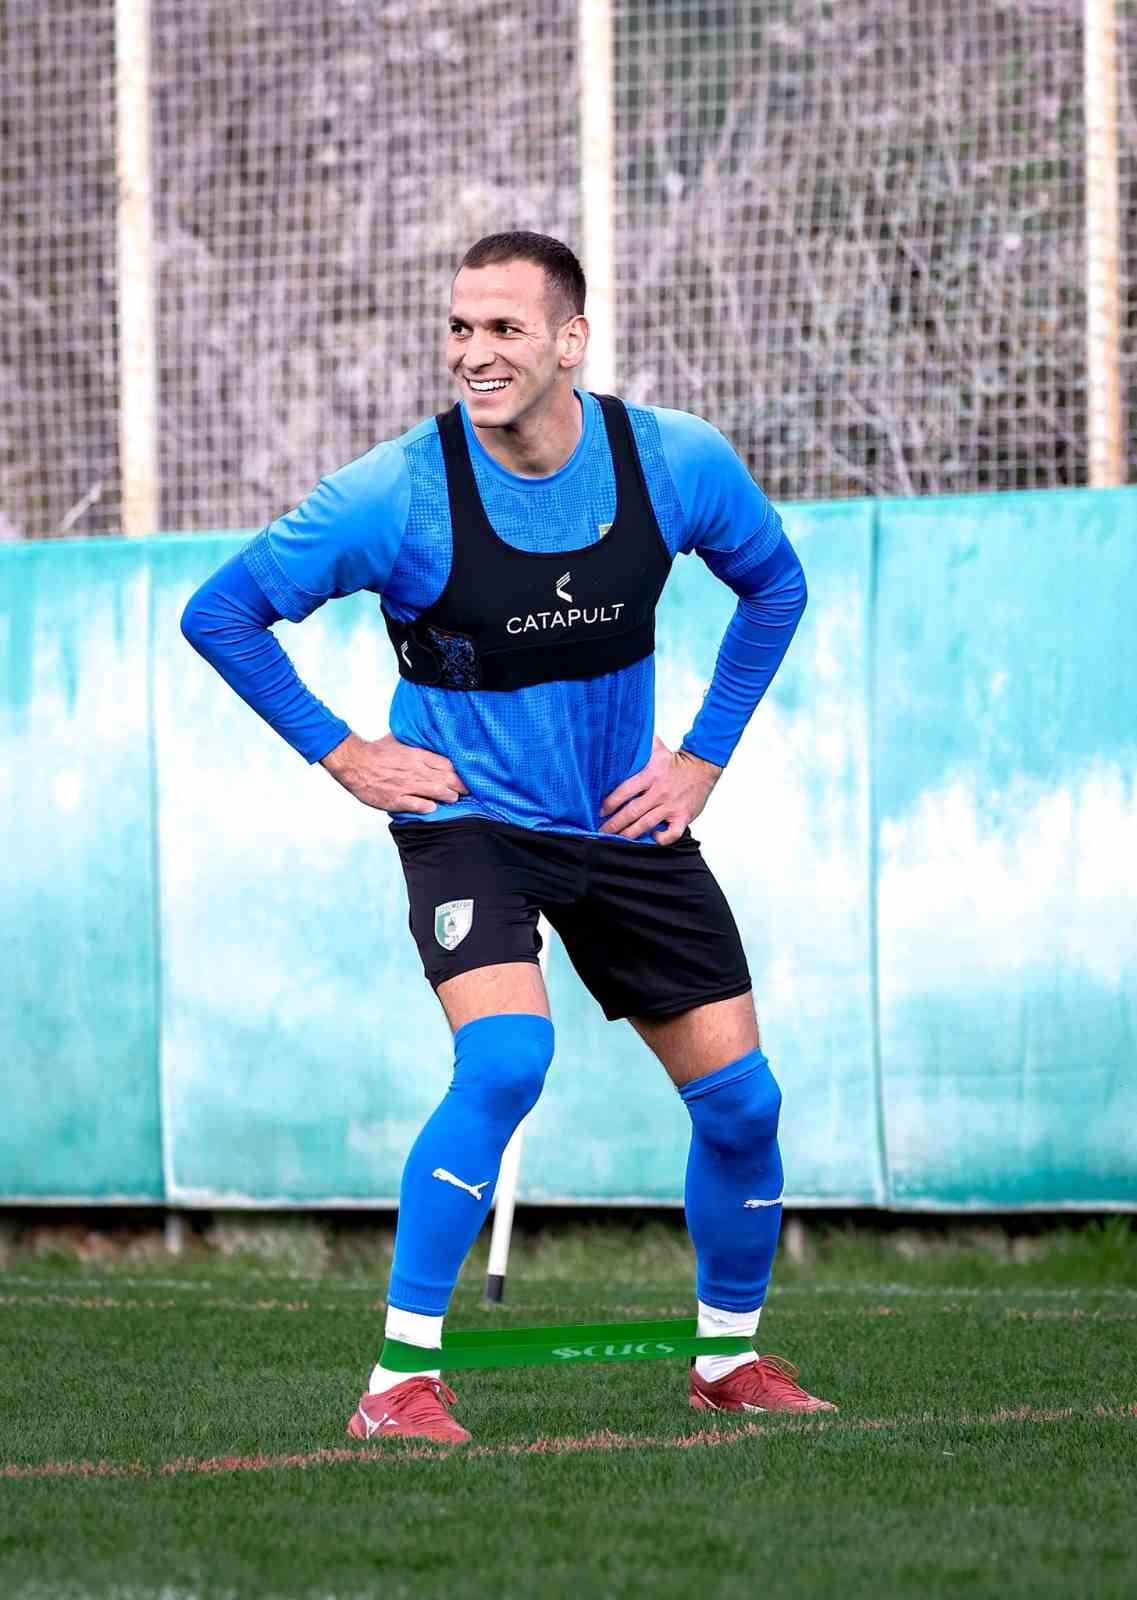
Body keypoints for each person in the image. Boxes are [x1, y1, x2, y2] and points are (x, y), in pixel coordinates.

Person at [181, 230, 835, 1444]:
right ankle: (398, 1385)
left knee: (745, 1105)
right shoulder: (395, 493)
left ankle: (728, 1361)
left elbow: (775, 586)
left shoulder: (674, 461)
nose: (472, 353)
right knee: (505, 1062)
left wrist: (700, 759)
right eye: (458, 327)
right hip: (469, 820)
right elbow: (221, 613)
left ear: (570, 341)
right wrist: (345, 752)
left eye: (503, 328)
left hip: (623, 820)